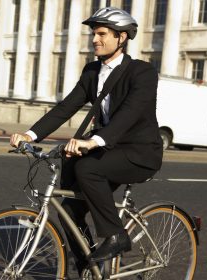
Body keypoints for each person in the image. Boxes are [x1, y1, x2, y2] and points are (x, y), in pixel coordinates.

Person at [10, 7, 163, 276]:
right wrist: (30, 135)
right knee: (68, 209)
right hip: (108, 149)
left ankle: (116, 236)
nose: (95, 39)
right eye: (94, 33)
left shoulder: (142, 72)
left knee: (87, 168)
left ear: (122, 37)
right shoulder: (92, 71)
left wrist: (94, 141)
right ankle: (87, 266)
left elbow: (130, 112)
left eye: (102, 33)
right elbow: (66, 107)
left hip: (140, 152)